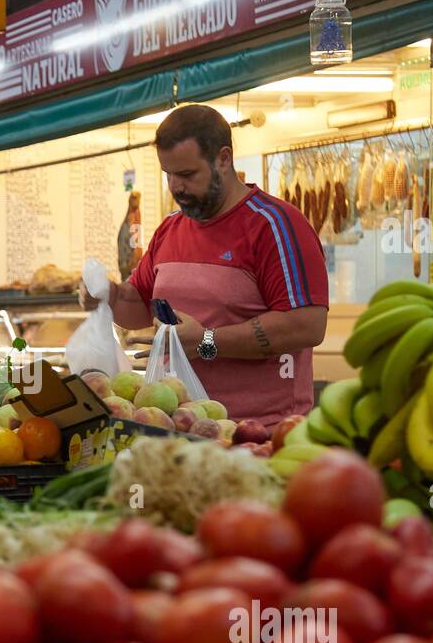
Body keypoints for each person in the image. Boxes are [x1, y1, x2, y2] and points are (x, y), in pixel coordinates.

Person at [81, 105, 328, 426]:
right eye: (168, 174)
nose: (176, 187)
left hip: (257, 433)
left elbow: (306, 325)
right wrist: (109, 296)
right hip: (177, 428)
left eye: (186, 174)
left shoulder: (275, 226)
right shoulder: (170, 229)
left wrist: (207, 343)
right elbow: (140, 306)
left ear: (223, 159)